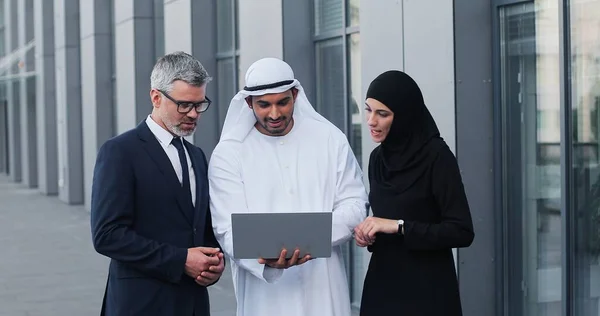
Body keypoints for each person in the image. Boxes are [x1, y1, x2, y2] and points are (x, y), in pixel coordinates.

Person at [208, 57, 369, 316]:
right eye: (264, 104)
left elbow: (355, 204)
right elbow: (227, 228)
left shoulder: (329, 139)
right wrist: (267, 258)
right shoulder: (229, 153)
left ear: (295, 94)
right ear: (249, 103)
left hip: (323, 286)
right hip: (265, 296)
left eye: (283, 102)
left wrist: (311, 239)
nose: (274, 114)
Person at [90, 51, 225, 316]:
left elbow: (201, 226)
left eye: (200, 104)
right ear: (156, 97)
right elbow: (107, 235)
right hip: (141, 303)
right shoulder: (120, 152)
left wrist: (214, 264)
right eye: (185, 104)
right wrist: (181, 259)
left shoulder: (197, 155)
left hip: (194, 303)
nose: (194, 114)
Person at [354, 70, 475, 316]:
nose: (371, 121)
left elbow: (461, 231)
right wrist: (369, 234)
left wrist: (398, 226)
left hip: (427, 291)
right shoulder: (378, 159)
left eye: (382, 114)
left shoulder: (437, 157)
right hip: (382, 286)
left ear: (405, 116)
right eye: (368, 110)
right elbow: (384, 220)